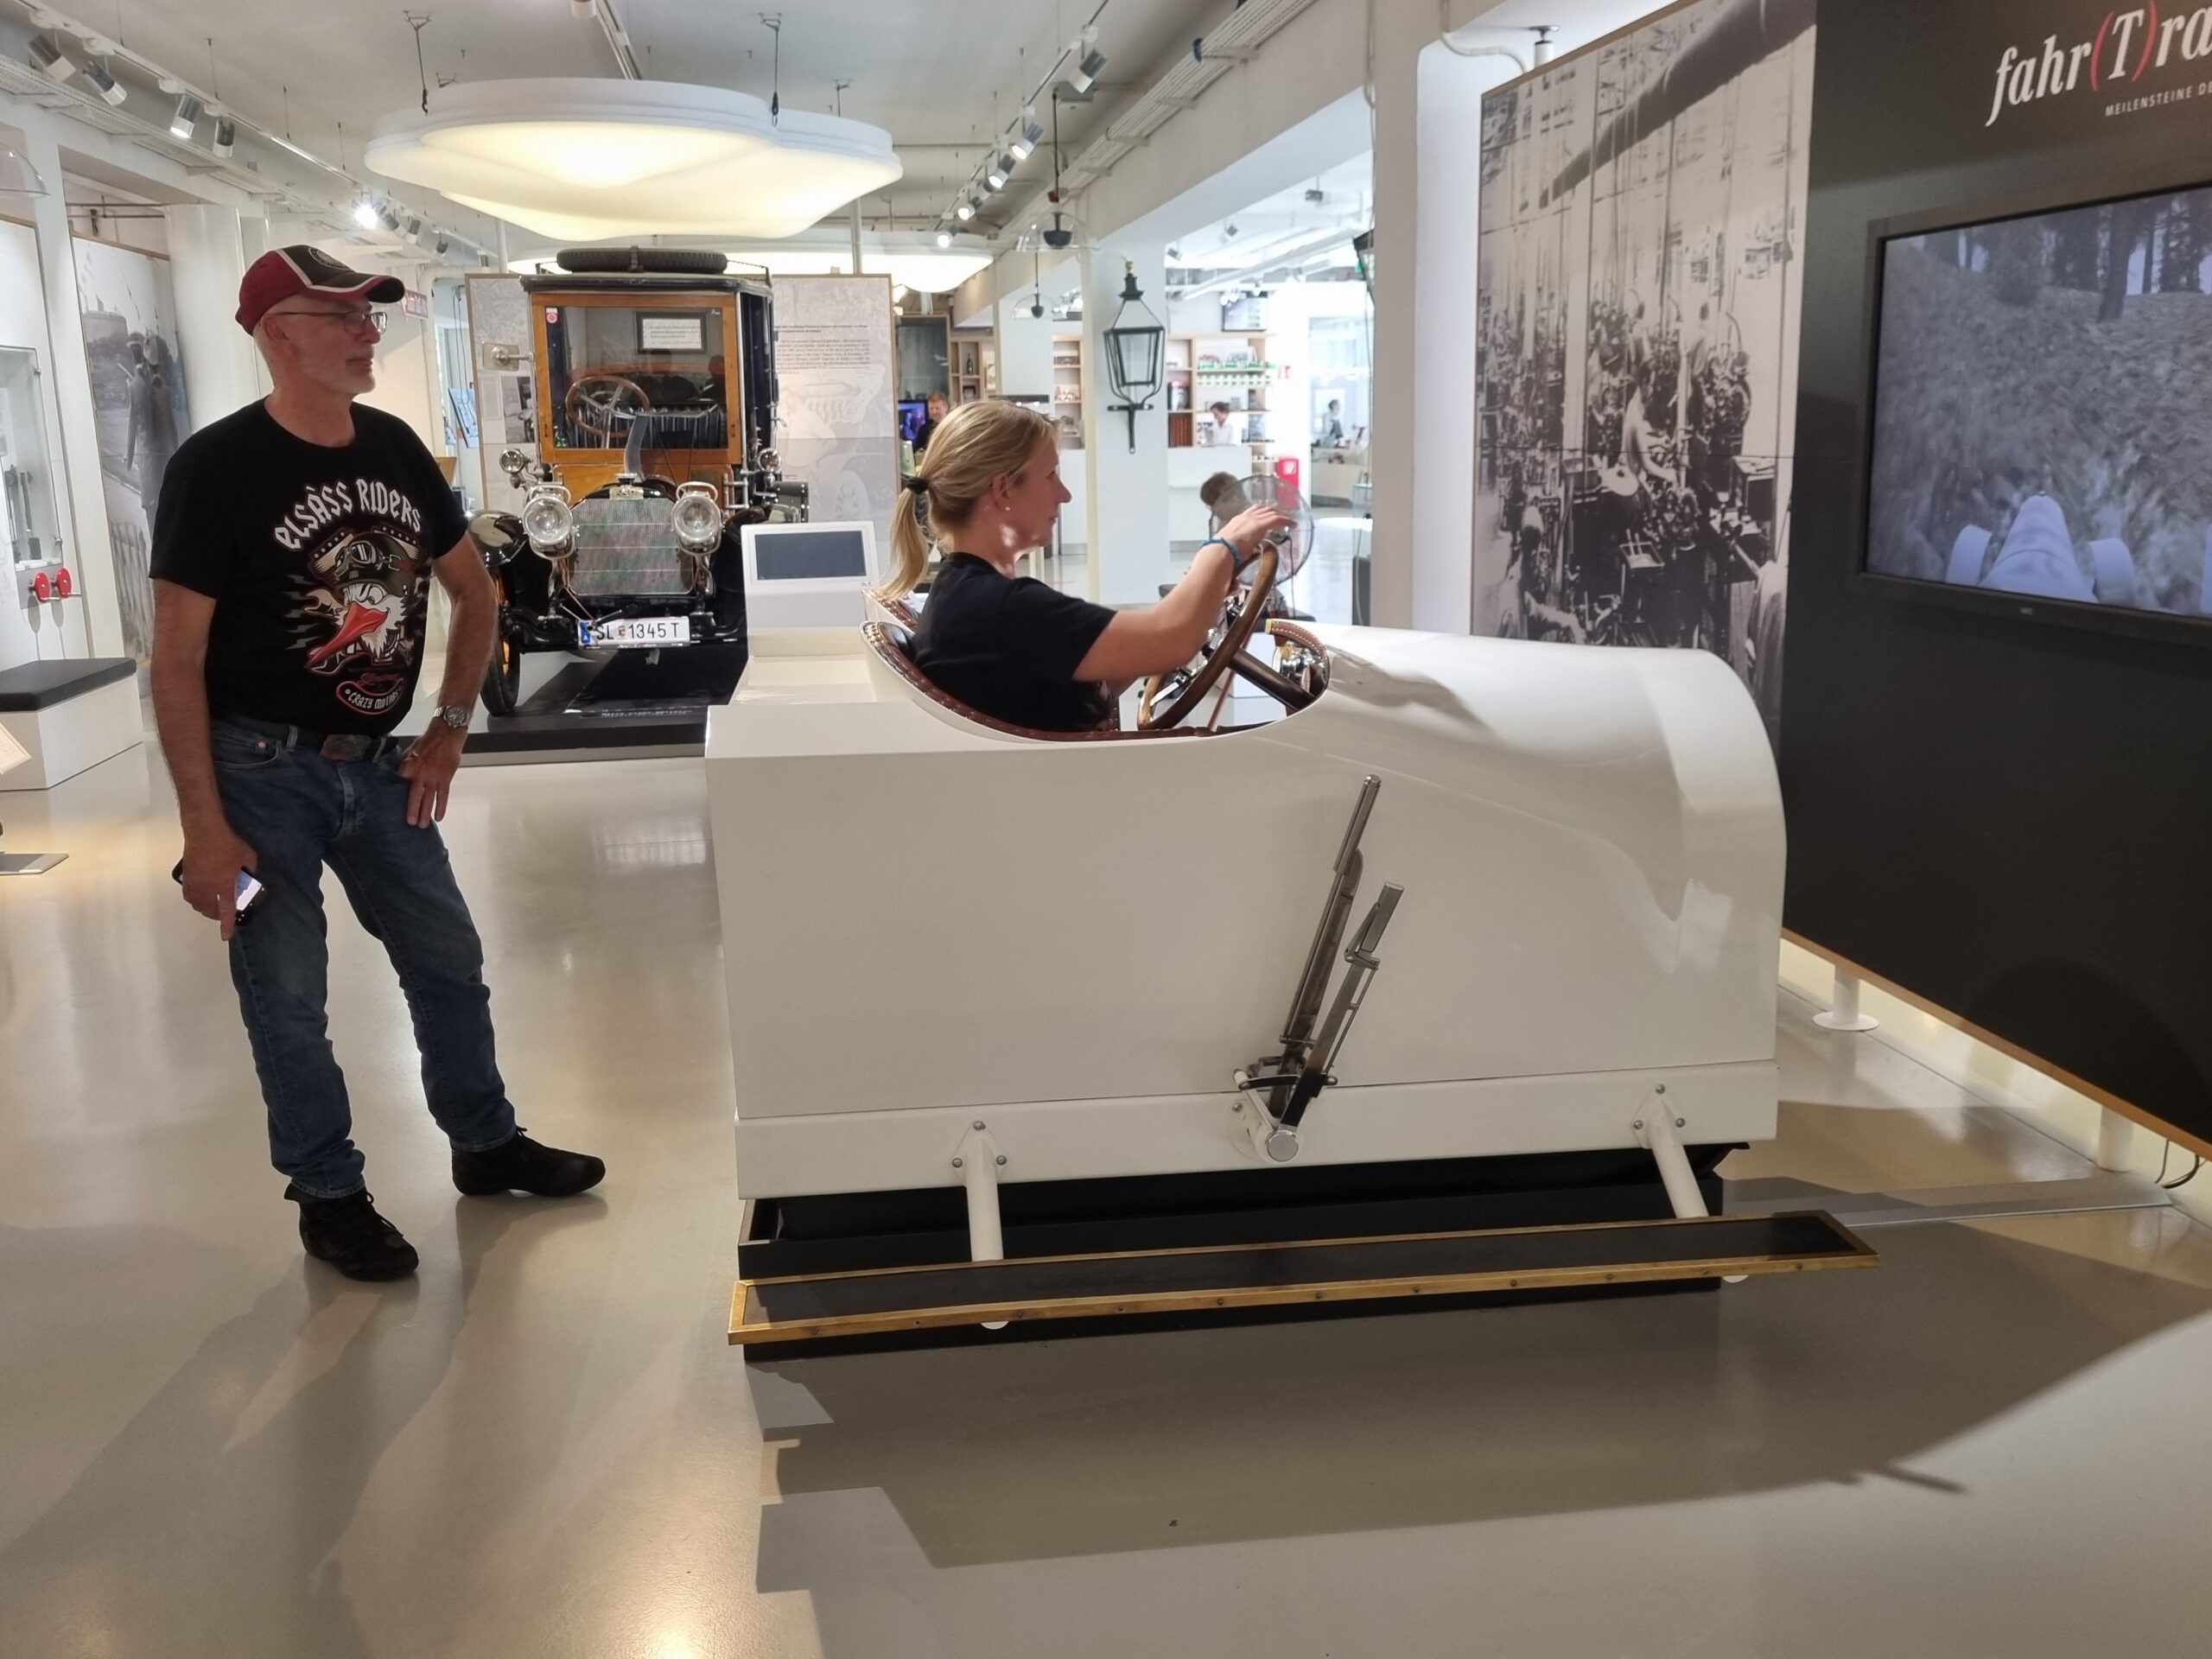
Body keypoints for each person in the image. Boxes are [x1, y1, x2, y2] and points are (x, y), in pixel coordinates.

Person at [149, 245, 605, 1283]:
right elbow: (175, 660)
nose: (368, 335)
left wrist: (449, 726)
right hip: (259, 770)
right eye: (343, 317)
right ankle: (328, 1193)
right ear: (278, 333)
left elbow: (475, 591)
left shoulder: (394, 446)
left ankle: (484, 1141)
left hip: (379, 764)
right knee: (287, 995)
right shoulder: (215, 469)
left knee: (447, 961)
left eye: (370, 317)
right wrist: (203, 827)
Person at [872, 399, 1291, 733]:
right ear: (1003, 490)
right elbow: (1172, 640)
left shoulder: (967, 595)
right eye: (1051, 476)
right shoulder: (1000, 608)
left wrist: (1204, 600)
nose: (1065, 494)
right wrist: (1222, 548)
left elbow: (1119, 662)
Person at [912, 391, 950, 458]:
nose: (934, 412)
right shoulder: (923, 429)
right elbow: (918, 453)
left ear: (946, 407)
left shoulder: (953, 426)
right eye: (931, 409)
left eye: (937, 408)